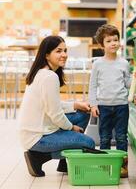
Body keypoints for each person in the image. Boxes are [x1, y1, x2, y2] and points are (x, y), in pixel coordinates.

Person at [18, 36, 95, 177]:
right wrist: (72, 128)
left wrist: (76, 104)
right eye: (58, 51)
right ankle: (38, 157)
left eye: (65, 50)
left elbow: (53, 104)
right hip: (38, 137)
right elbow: (55, 114)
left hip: (37, 130)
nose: (64, 55)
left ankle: (64, 162)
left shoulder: (41, 73)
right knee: (88, 143)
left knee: (83, 112)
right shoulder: (49, 77)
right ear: (47, 54)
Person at [89, 24, 136, 178]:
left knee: (121, 137)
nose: (113, 43)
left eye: (116, 40)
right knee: (104, 138)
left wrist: (134, 79)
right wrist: (93, 104)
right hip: (104, 106)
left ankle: (122, 167)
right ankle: (105, 165)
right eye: (109, 41)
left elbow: (126, 84)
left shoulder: (124, 63)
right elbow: (92, 86)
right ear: (101, 45)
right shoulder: (97, 64)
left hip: (121, 106)